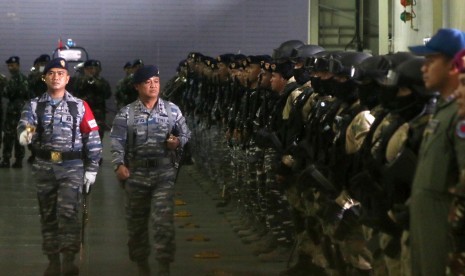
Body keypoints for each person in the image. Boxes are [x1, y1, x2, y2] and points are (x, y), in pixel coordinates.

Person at [17, 57, 102, 276]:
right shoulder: (35, 104)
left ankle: (69, 258)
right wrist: (26, 133)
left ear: (68, 78)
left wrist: (92, 167)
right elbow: (26, 123)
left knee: (68, 213)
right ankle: (52, 259)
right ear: (44, 77)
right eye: (52, 73)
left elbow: (91, 136)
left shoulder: (80, 106)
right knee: (48, 214)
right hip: (45, 166)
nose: (56, 77)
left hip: (71, 167)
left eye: (60, 74)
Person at [110, 65, 191, 276]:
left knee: (163, 222)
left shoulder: (172, 111)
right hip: (136, 175)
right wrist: (119, 165)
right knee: (136, 224)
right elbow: (117, 142)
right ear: (137, 86)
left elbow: (186, 135)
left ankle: (164, 266)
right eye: (148, 82)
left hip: (163, 174)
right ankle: (142, 265)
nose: (153, 85)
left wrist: (177, 142)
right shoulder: (126, 114)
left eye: (156, 81)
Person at [408, 28, 465, 276]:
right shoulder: (442, 110)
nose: (423, 68)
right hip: (426, 228)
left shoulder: (459, 116)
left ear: (453, 66)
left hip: (445, 235)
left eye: (431, 62)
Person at [1, 56, 31, 168]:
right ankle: (12, 160)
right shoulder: (17, 79)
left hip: (18, 113)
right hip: (15, 113)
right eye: (9, 66)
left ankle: (12, 160)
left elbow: (8, 93)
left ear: (18, 65)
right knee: (13, 137)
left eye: (12, 65)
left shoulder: (18, 79)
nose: (10, 68)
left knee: (16, 138)